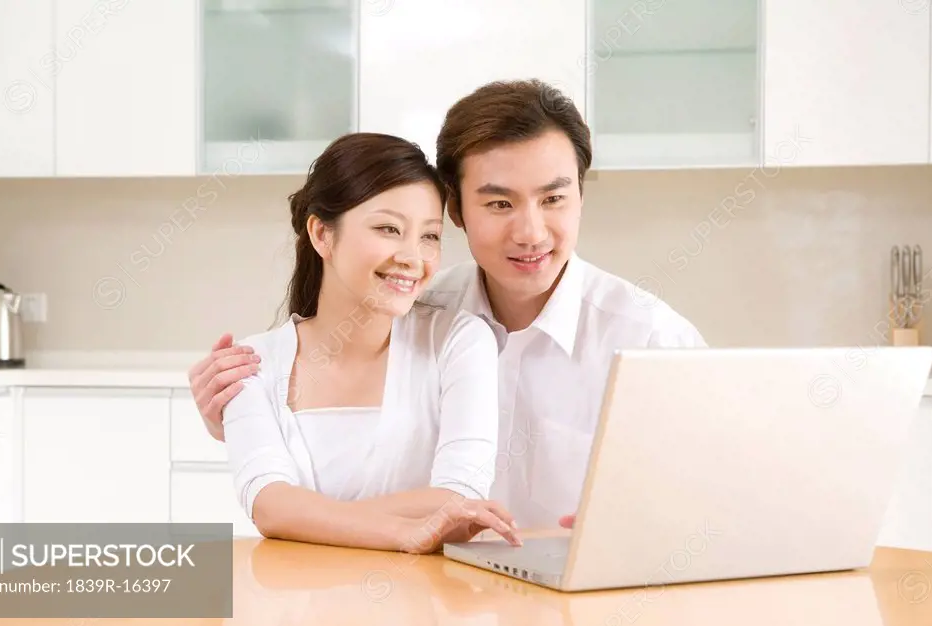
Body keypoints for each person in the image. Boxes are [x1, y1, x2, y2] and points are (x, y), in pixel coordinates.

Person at [189, 79, 706, 535]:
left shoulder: (653, 342)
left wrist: (648, 526)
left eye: (553, 199)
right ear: (456, 209)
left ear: (580, 197)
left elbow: (714, 498)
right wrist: (240, 417)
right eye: (500, 203)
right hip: (431, 604)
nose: (531, 232)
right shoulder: (414, 310)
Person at [218, 131, 522, 553]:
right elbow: (269, 506)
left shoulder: (459, 342)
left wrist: (309, 517)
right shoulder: (252, 363)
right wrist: (406, 531)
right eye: (388, 228)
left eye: (429, 236)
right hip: (295, 607)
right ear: (322, 235)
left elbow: (459, 496)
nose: (413, 257)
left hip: (422, 609)